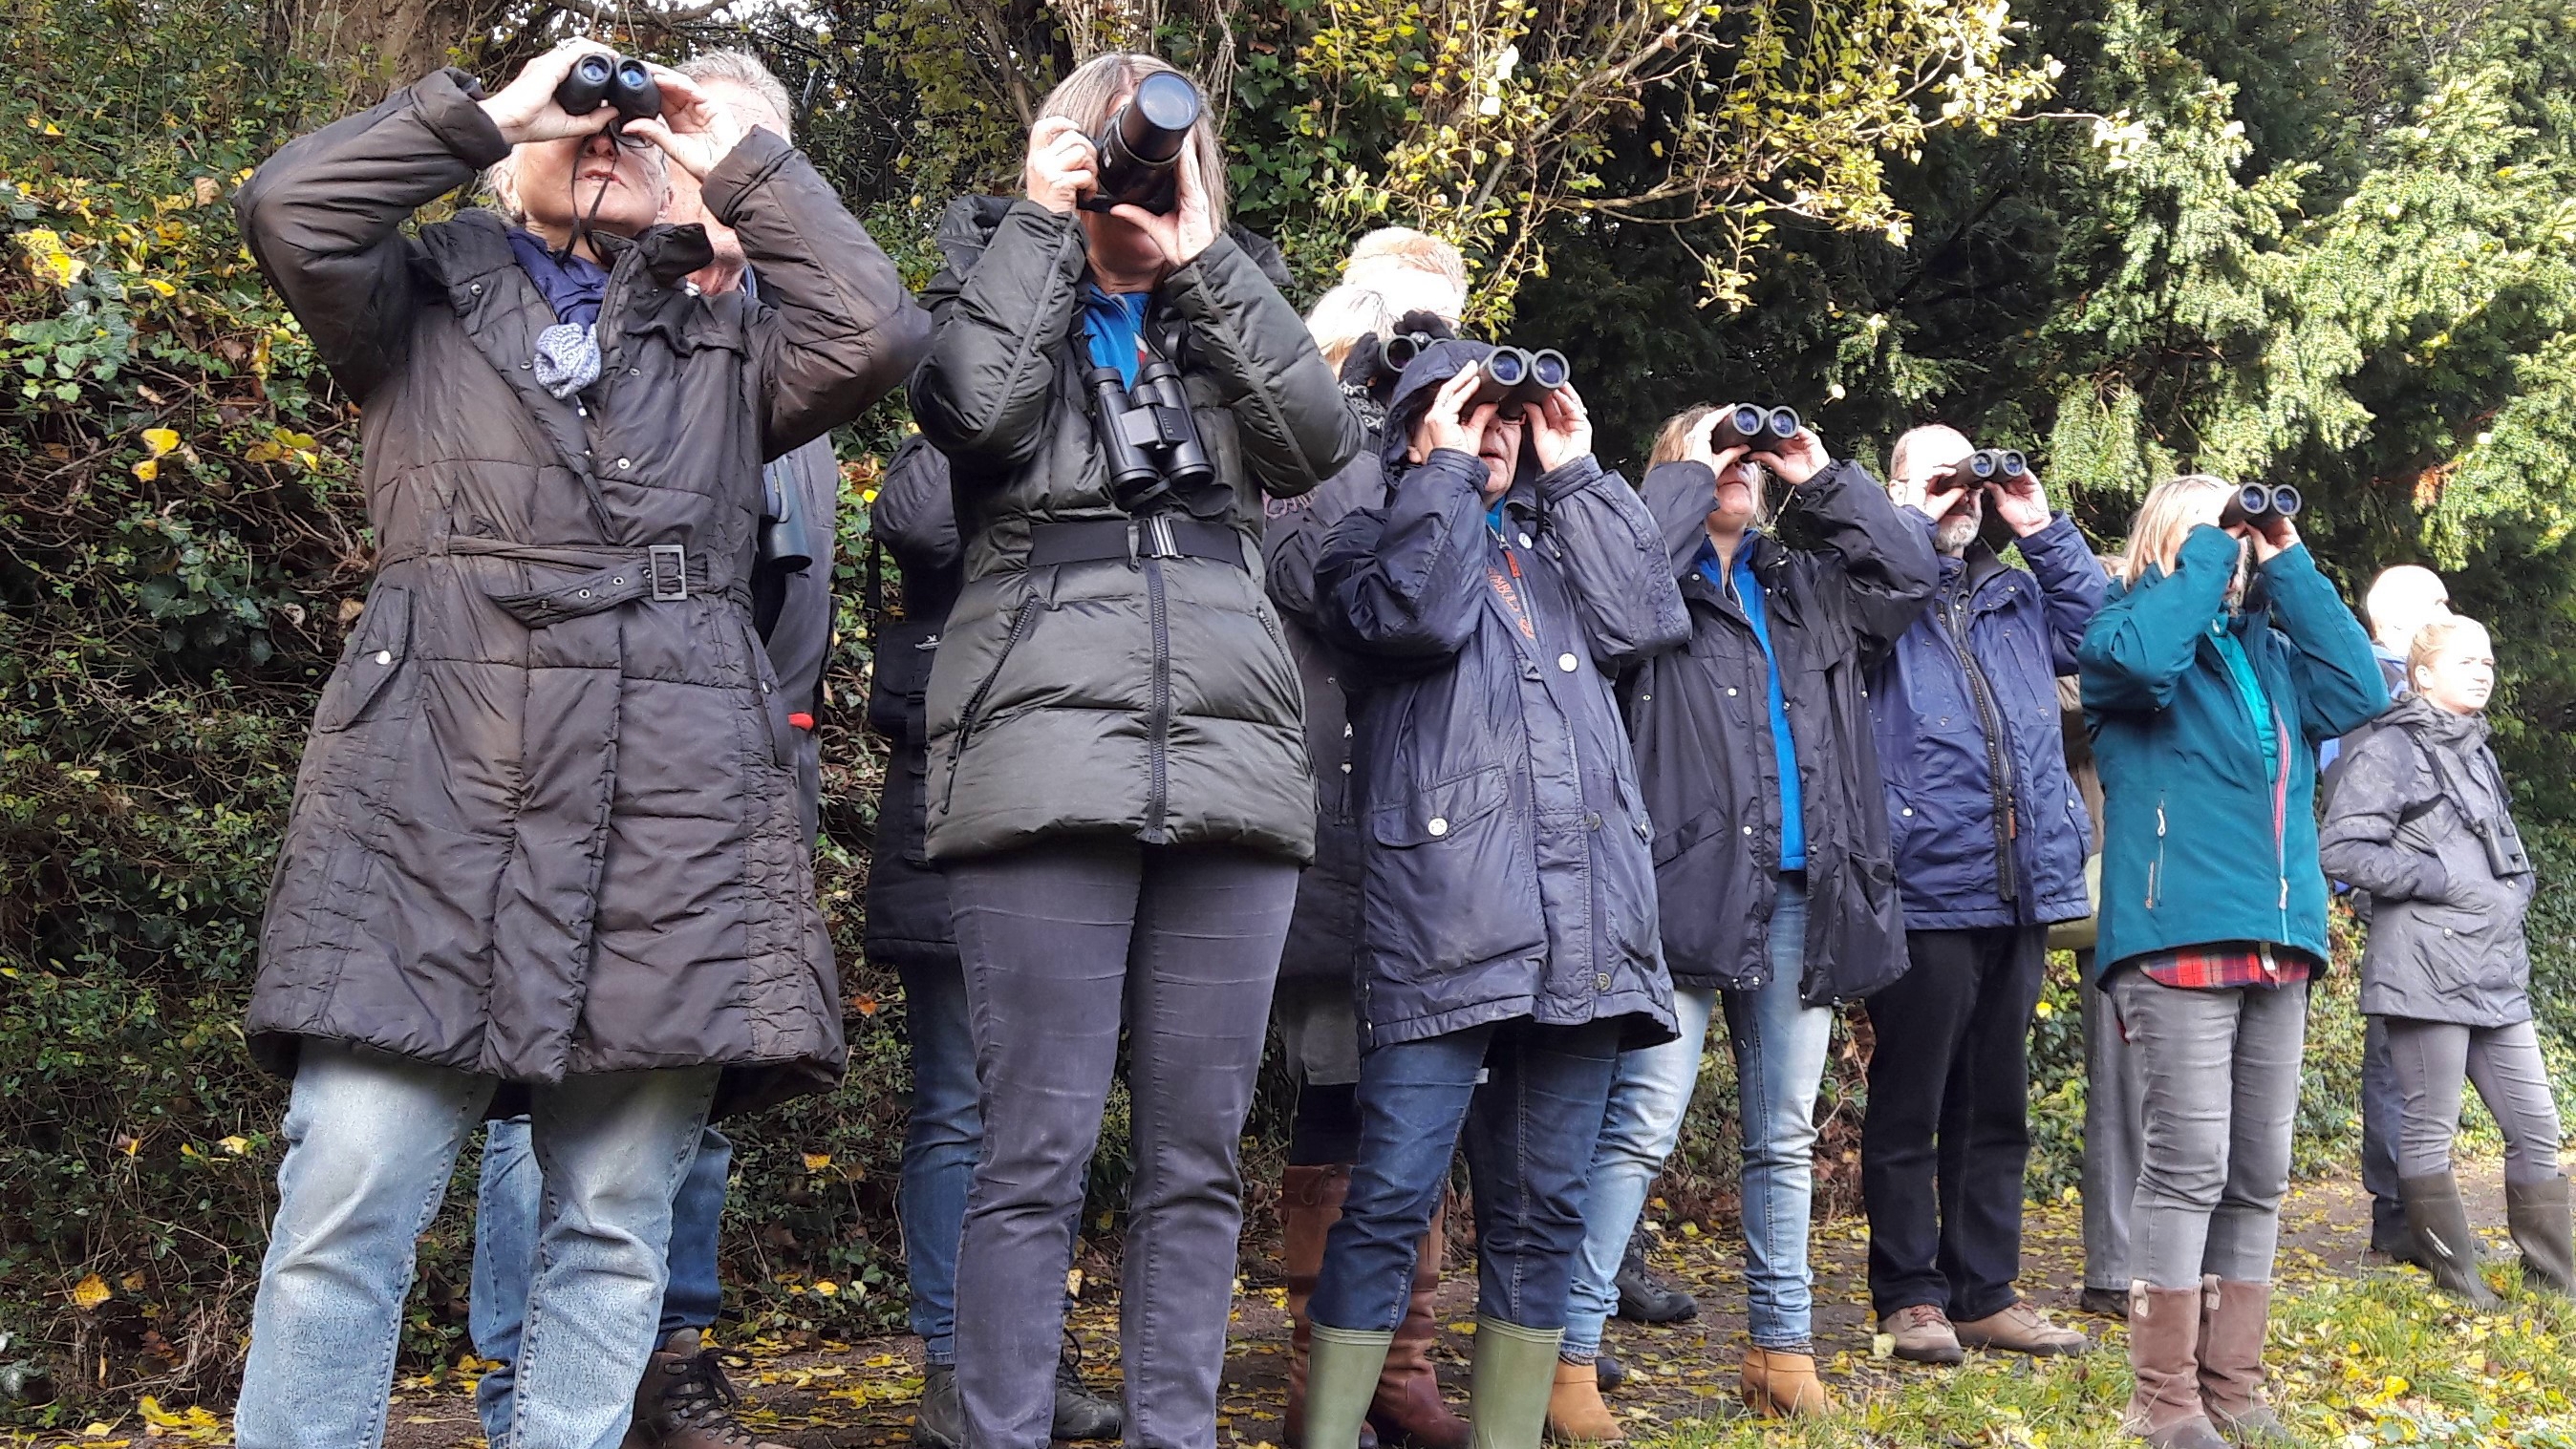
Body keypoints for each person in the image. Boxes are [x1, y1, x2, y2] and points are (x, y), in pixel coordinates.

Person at [229, 40, 926, 1449]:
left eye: (632, 131)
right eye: (578, 122)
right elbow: (293, 206)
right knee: (342, 1203)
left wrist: (728, 149)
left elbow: (880, 330)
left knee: (613, 1228)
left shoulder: (736, 344)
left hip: (671, 815)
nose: (605, 137)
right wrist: (492, 111)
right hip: (419, 800)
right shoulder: (413, 297)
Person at [905, 52, 1362, 1449]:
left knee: (1195, 1161)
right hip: (1041, 759)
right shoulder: (987, 284)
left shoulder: (1224, 304)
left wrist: (1199, 263)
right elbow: (969, 417)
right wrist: (1047, 229)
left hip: (1228, 760)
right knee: (1029, 1154)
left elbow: (1312, 441)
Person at [464, 53, 848, 1449]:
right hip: (558, 751)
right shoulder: (598, 324)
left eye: (754, 156)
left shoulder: (772, 333)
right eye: (691, 147)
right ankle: (521, 1377)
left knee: (688, 1101)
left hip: (735, 762)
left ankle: (666, 1354)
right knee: (532, 1096)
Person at [1301, 342, 1687, 1449]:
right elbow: (1411, 618)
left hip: (1584, 930)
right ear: (1417, 424)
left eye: (1512, 414)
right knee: (1387, 1200)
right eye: (1473, 409)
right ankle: (1330, 1432)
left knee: (1545, 1208)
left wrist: (1571, 469)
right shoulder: (1367, 536)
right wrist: (1440, 472)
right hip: (1443, 918)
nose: (1499, 430)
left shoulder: (1562, 540)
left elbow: (1645, 619)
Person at [1563, 404, 1935, 1431]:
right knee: (1640, 1124)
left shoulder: (1803, 584)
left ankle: (1780, 1347)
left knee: (1781, 1134)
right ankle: (1568, 1355)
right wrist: (1681, 482)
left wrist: (1818, 475)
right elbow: (1607, 601)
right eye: (1711, 449)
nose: (1739, 465)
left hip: (1795, 890)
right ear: (1673, 468)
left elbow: (1908, 577)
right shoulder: (1647, 579)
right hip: (1675, 885)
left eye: (1749, 455)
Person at [2079, 476, 2385, 1449]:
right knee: (2187, 1165)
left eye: (2238, 534)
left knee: (2256, 1169)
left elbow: (2360, 689)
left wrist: (2285, 556)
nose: (2236, 547)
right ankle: (2161, 1395)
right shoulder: (2122, 637)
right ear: (2173, 540)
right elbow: (2141, 661)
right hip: (2173, 932)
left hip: (2275, 932)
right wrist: (2206, 551)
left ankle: (2233, 1382)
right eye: (2218, 532)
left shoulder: (2271, 654)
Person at [860, 436, 1125, 1448]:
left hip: (1081, 792)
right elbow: (922, 516)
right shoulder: (965, 407)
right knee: (962, 1102)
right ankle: (952, 1362)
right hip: (955, 800)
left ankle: (1021, 1354)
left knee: (1054, 1109)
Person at [1268, 230, 1473, 1449]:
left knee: (1417, 1096)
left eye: (1437, 329)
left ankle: (1401, 1362)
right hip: (1321, 800)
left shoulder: (1448, 447)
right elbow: (1308, 571)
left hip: (1430, 811)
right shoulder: (1298, 421)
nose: (1420, 355)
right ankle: (1327, 1377)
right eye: (1406, 327)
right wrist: (1349, 395)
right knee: (1339, 1088)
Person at [1860, 427, 2106, 1363]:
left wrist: (2037, 526)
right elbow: (1867, 610)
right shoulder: (1879, 587)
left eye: (1968, 477)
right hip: (1923, 877)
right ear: (1893, 492)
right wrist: (1912, 523)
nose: (1961, 492)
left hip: (2021, 882)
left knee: (1995, 1099)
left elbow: (2102, 640)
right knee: (1910, 1096)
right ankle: (1909, 1293)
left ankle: (1983, 1290)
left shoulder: (2016, 591)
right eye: (1936, 478)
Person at [2319, 617, 2572, 1306]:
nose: (2484, 670)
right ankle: (2459, 1282)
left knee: (2537, 1125)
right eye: (2466, 659)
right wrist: (2436, 879)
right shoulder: (2389, 749)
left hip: (2496, 971)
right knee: (2430, 1128)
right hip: (2424, 972)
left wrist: (2510, 890)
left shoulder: (2476, 750)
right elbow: (2340, 850)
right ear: (2422, 674)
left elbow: (2496, 855)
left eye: (2489, 659)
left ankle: (2555, 1278)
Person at [2340, 565, 2457, 1265]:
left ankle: (2417, 1211)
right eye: (2439, 603)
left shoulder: (2422, 693)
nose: (2451, 611)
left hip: (2440, 899)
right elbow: (2356, 809)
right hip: (2401, 897)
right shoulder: (2370, 692)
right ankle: (2398, 1217)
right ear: (2398, 621)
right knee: (2398, 1059)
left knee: (2424, 1057)